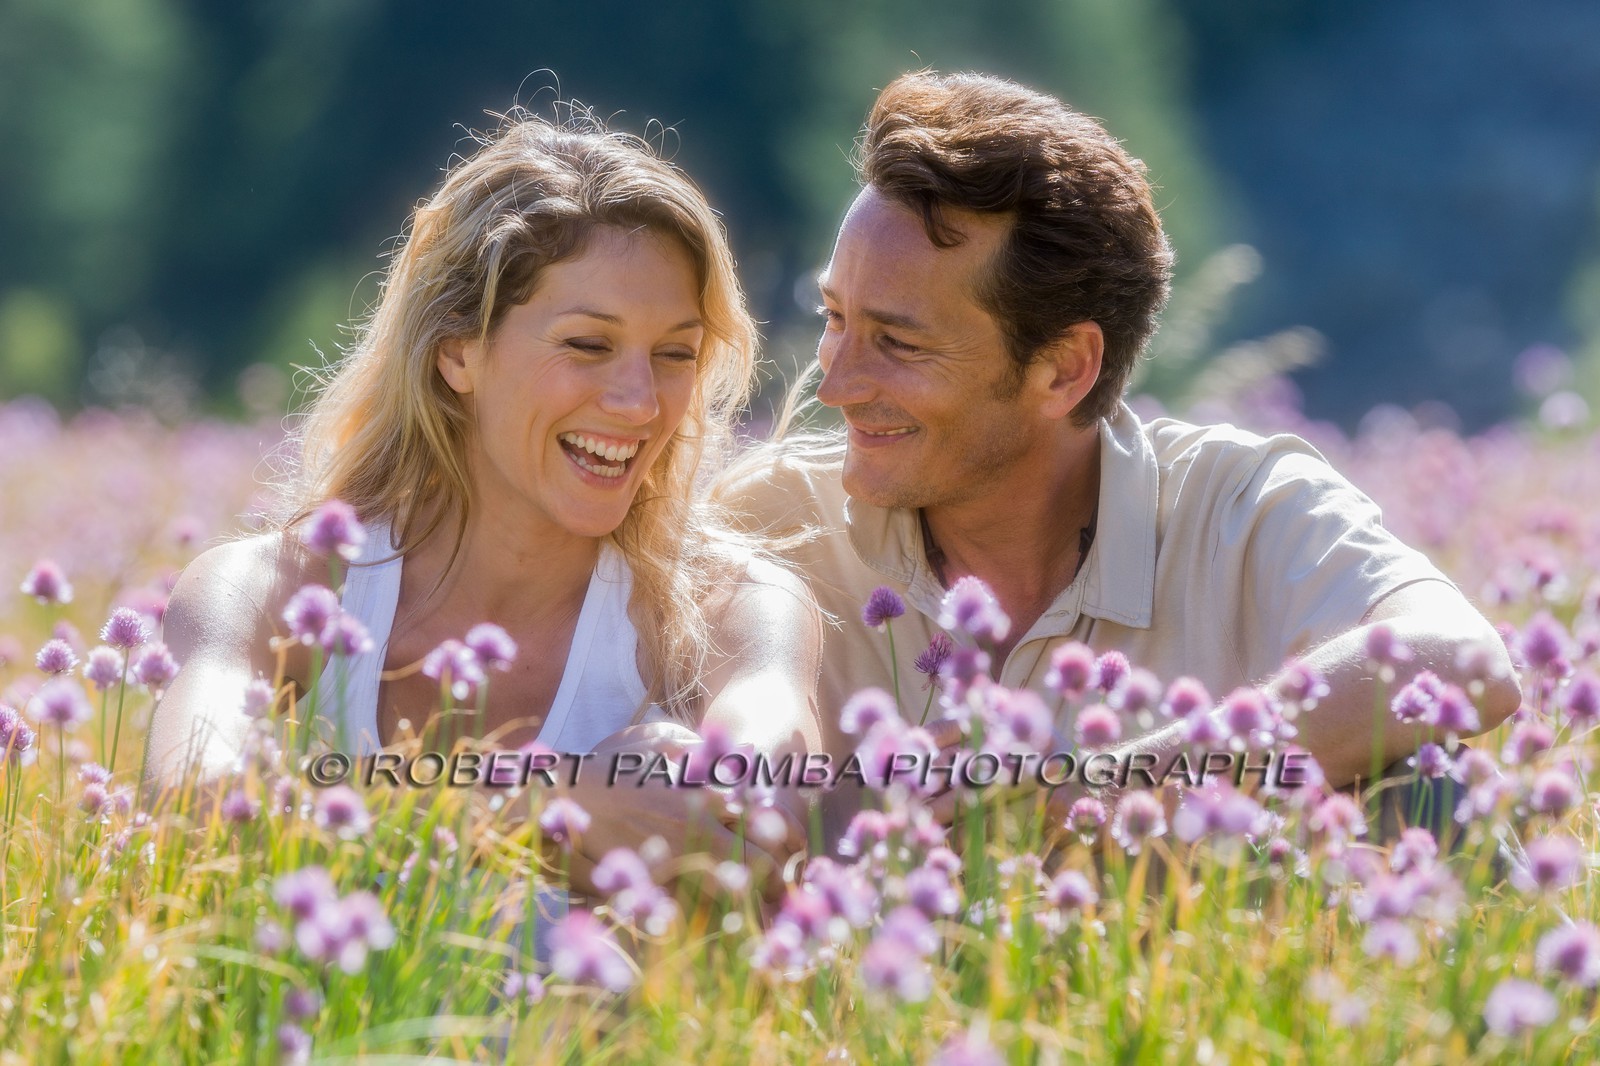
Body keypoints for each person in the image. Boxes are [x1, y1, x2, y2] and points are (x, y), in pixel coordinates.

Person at [719, 71, 1519, 848]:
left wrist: (1103, 789)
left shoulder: (1236, 505)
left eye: (898, 342)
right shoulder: (771, 521)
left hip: (1179, 977)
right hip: (862, 978)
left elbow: (1465, 661)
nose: (836, 381)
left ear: (1064, 369)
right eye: (833, 318)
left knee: (1424, 788)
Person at [144, 112, 822, 896]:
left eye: (676, 354)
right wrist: (539, 807)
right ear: (458, 352)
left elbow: (760, 787)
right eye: (587, 345)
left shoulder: (736, 609)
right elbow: (189, 808)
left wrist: (707, 795)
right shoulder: (269, 591)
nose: (641, 403)